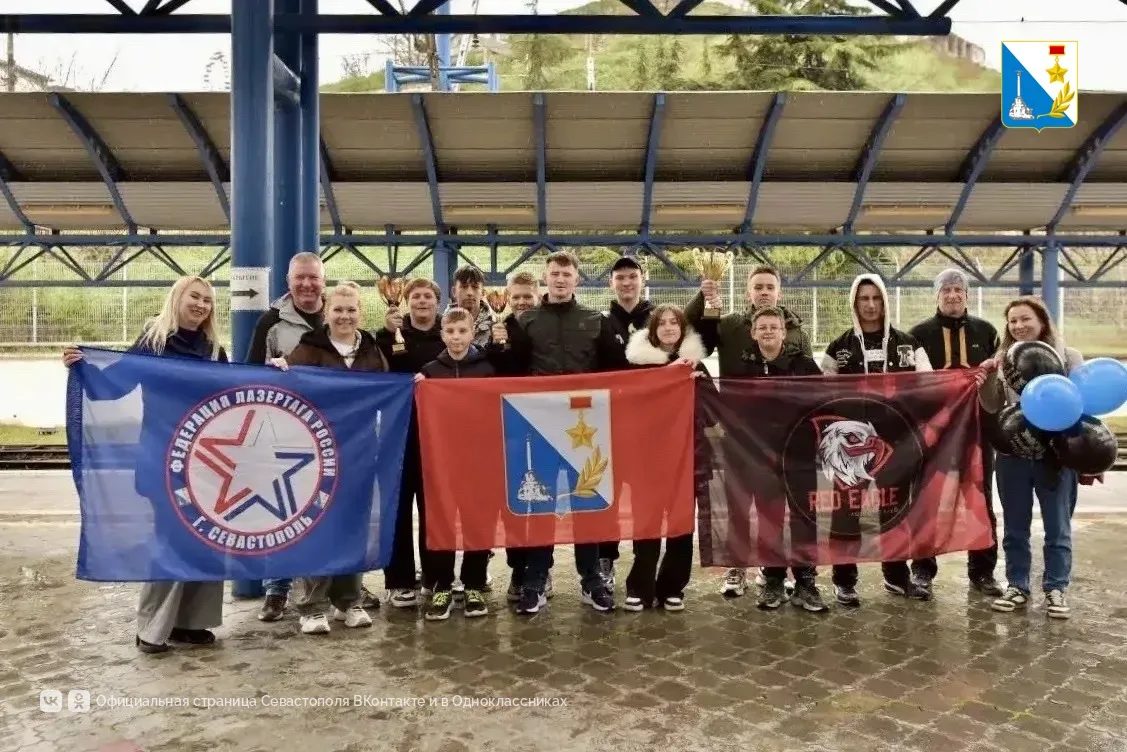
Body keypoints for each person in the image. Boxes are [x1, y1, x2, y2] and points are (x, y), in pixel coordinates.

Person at [62, 275, 227, 654]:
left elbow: (232, 393)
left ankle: (190, 624)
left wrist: (274, 373)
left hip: (205, 462)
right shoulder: (154, 341)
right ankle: (152, 628)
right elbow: (117, 383)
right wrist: (82, 366)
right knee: (170, 542)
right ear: (177, 298)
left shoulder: (214, 349)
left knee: (205, 541)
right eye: (194, 296)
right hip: (163, 458)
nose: (201, 305)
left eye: (207, 300)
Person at [486, 250, 629, 615]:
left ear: (576, 279)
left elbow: (619, 371)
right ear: (545, 279)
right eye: (555, 274)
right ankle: (535, 581)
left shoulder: (596, 320)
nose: (561, 279)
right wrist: (496, 344)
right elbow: (508, 370)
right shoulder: (525, 321)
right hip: (539, 426)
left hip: (587, 428)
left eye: (567, 274)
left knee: (587, 503)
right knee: (541, 503)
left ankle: (591, 581)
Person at [684, 263, 813, 598]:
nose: (764, 292)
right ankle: (737, 566)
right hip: (739, 434)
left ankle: (771, 567)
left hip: (781, 436)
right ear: (747, 292)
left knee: (774, 507)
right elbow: (695, 338)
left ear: (779, 292)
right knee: (739, 504)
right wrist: (705, 299)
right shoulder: (728, 325)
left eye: (770, 287)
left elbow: (810, 384)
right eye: (758, 287)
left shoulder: (796, 331)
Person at [266, 281, 387, 635]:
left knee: (354, 524)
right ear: (326, 313)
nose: (344, 316)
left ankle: (347, 601)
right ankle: (312, 605)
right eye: (338, 309)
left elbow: (387, 389)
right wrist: (279, 368)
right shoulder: (310, 347)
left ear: (360, 313)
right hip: (318, 450)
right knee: (318, 523)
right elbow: (287, 383)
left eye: (351, 310)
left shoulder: (372, 350)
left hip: (360, 448)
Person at [819, 273, 933, 607]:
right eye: (864, 299)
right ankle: (844, 581)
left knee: (893, 510)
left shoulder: (908, 344)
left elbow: (929, 385)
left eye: (876, 298)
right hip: (851, 448)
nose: (870, 305)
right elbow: (822, 393)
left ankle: (896, 576)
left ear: (885, 301)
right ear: (854, 304)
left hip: (896, 443)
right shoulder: (838, 347)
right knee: (846, 513)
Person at [975, 296, 1083, 619]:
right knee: (1015, 527)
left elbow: (1080, 406)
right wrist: (986, 382)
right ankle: (1017, 585)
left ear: (1042, 321)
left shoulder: (1069, 357)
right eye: (1013, 321)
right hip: (1013, 454)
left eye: (1026, 319)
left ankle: (1056, 588)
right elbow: (992, 405)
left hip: (1055, 456)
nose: (1019, 326)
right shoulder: (1002, 361)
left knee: (1057, 527)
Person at [909, 268, 1004, 598]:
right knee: (928, 499)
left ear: (966, 294)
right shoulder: (918, 334)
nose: (952, 295)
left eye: (958, 290)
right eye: (946, 290)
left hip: (978, 432)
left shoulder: (987, 331)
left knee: (981, 499)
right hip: (935, 434)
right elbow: (913, 385)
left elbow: (998, 380)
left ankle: (983, 572)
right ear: (936, 295)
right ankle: (922, 571)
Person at [739, 307, 830, 613]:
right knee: (769, 519)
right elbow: (732, 408)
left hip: (799, 456)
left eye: (773, 327)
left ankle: (806, 582)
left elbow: (823, 403)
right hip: (761, 459)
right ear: (753, 333)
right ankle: (773, 579)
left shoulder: (803, 364)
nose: (768, 331)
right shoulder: (744, 368)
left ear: (783, 332)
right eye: (762, 327)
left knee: (805, 518)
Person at [622, 304, 706, 611]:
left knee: (681, 524)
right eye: (662, 323)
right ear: (653, 329)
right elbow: (627, 406)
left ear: (683, 329)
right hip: (647, 459)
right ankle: (639, 586)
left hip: (684, 459)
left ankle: (672, 587)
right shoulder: (637, 365)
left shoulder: (696, 364)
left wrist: (699, 385)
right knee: (646, 522)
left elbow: (712, 410)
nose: (669, 327)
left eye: (675, 322)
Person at [414, 307, 497, 621]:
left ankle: (474, 584)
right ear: (442, 334)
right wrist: (419, 388)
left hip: (479, 462)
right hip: (443, 463)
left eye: (462, 331)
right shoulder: (430, 371)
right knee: (442, 522)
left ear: (473, 333)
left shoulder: (487, 369)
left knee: (478, 522)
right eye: (450, 331)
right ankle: (441, 586)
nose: (456, 337)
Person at [376, 278, 446, 608]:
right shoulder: (387, 335)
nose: (421, 301)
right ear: (405, 301)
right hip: (398, 434)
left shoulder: (449, 334)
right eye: (415, 296)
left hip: (438, 437)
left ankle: (435, 576)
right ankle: (400, 581)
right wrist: (387, 333)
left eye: (427, 296)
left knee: (434, 509)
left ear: (437, 301)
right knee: (399, 509)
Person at [492, 271, 555, 603]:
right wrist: (497, 346)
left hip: (547, 422)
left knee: (543, 499)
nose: (520, 302)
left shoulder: (547, 325)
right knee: (514, 501)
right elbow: (492, 371)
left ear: (538, 295)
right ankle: (518, 568)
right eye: (515, 297)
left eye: (526, 296)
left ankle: (542, 569)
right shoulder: (499, 327)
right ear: (507, 297)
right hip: (511, 424)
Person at [597, 255, 657, 590]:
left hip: (648, 429)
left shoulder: (660, 319)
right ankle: (605, 560)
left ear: (642, 280)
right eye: (620, 278)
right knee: (607, 497)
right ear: (612, 284)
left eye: (632, 276)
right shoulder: (600, 322)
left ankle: (643, 564)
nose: (626, 283)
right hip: (609, 426)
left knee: (645, 499)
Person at [450, 265, 494, 347]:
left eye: (475, 287)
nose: (469, 293)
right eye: (464, 287)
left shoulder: (494, 328)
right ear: (454, 291)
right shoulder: (441, 327)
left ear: (483, 293)